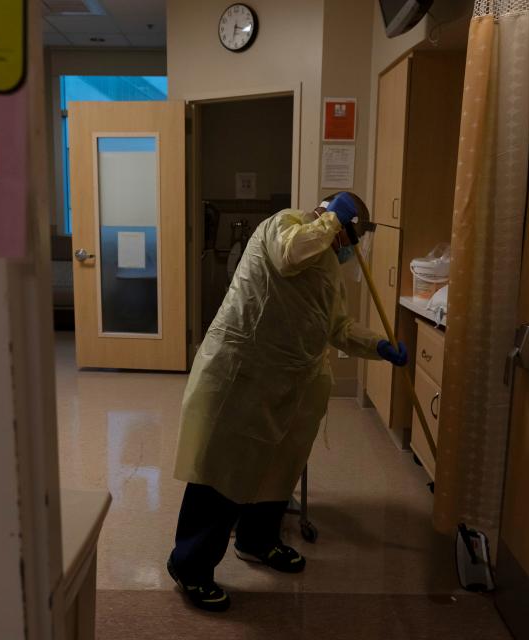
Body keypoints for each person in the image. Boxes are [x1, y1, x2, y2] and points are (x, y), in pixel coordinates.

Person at [167, 192, 409, 612]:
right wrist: (331, 220)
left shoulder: (329, 264)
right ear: (337, 220)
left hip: (287, 386)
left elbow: (336, 326)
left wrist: (378, 346)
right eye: (354, 234)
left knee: (278, 470)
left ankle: (256, 541)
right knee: (222, 470)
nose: (353, 248)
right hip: (242, 375)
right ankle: (189, 568)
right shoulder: (286, 225)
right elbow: (287, 257)